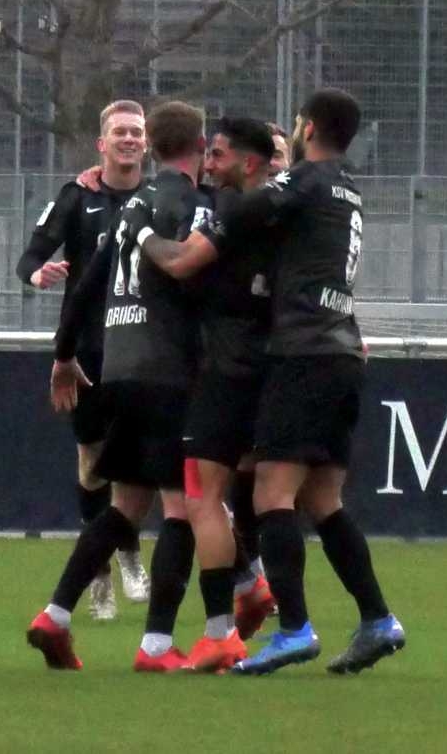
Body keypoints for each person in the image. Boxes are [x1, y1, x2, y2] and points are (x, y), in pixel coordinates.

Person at [132, 89, 404, 676]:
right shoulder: (347, 188)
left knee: (270, 496)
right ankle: (378, 619)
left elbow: (186, 258)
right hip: (342, 350)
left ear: (309, 128)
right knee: (324, 501)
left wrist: (145, 226)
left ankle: (294, 629)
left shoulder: (301, 184)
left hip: (303, 355)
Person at [26, 100, 211, 673]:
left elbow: (85, 287)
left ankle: (55, 616)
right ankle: (157, 645)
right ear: (201, 148)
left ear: (151, 144)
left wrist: (63, 355)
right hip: (169, 373)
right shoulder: (194, 205)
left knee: (125, 504)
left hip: (119, 369)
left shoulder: (130, 207)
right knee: (181, 509)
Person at [16, 100, 151, 621]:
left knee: (134, 460)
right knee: (93, 464)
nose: (129, 139)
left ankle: (130, 552)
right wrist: (38, 274)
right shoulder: (77, 196)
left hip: (140, 347)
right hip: (87, 351)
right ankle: (99, 574)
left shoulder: (159, 198)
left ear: (147, 143)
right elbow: (31, 255)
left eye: (136, 132)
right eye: (120, 132)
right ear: (102, 143)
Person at [179, 118, 280, 672]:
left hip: (227, 369)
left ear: (247, 163)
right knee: (261, 494)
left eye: (217, 155)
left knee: (201, 495)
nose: (209, 165)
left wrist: (139, 231)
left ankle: (220, 631)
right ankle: (255, 588)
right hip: (269, 366)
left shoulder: (233, 214)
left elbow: (179, 264)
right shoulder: (286, 214)